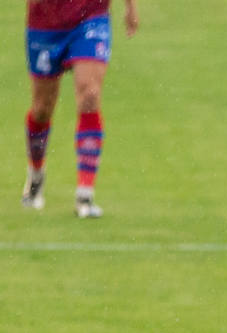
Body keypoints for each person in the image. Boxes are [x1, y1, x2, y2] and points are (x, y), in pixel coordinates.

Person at [22, 0, 139, 217]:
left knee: (90, 96)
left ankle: (85, 195)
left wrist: (130, 7)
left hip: (91, 16)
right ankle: (36, 173)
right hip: (45, 21)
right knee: (42, 108)